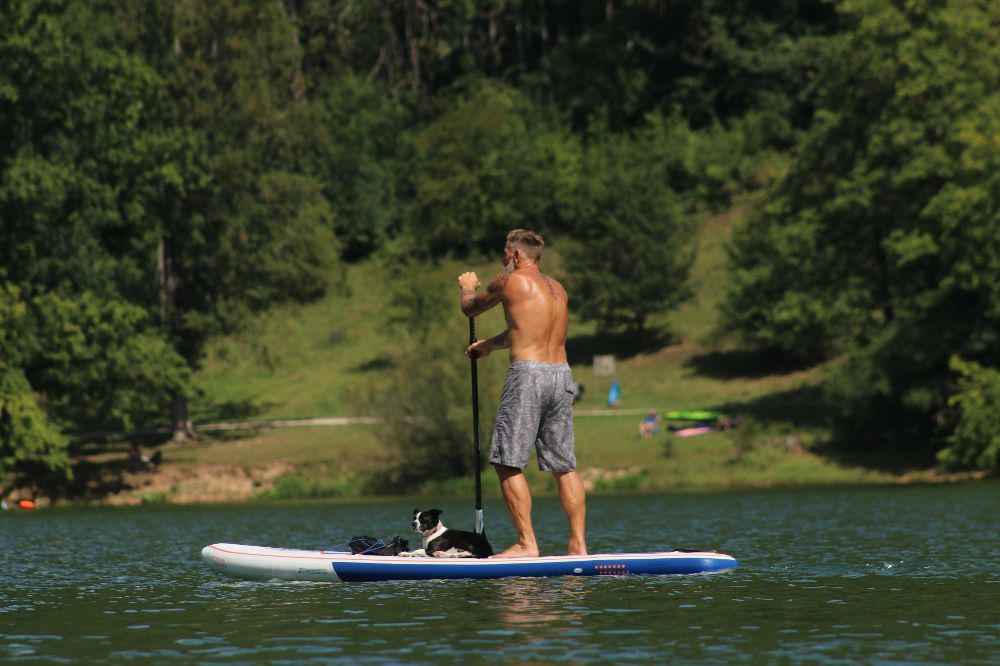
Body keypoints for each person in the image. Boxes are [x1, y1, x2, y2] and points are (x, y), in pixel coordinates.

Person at [458, 229, 587, 558]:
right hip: (561, 375)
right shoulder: (558, 289)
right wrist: (490, 344)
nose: (503, 258)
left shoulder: (508, 280)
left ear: (515, 255)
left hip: (527, 375)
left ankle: (527, 544)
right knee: (564, 466)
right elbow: (525, 329)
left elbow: (471, 309)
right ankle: (578, 545)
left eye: (505, 252)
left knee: (506, 461)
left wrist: (467, 288)